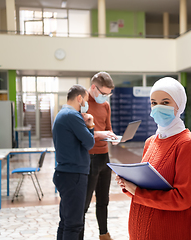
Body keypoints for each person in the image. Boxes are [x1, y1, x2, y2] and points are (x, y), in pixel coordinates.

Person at [116, 77, 191, 240]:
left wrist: (136, 192)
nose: (158, 108)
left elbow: (183, 199)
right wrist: (128, 184)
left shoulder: (186, 144)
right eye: (153, 103)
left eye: (165, 102)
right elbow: (145, 189)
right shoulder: (151, 141)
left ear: (179, 106)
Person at [52, 84, 95, 239]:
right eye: (86, 100)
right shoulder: (72, 115)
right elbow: (89, 143)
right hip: (74, 175)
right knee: (74, 225)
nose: (86, 104)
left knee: (66, 222)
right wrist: (90, 124)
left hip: (65, 174)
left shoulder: (62, 114)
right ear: (79, 98)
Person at [80, 72, 118, 240]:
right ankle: (78, 235)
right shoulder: (81, 103)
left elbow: (107, 127)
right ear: (93, 88)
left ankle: (104, 233)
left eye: (108, 94)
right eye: (103, 94)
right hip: (88, 158)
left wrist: (112, 137)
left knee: (104, 200)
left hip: (104, 157)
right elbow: (80, 132)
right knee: (84, 203)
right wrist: (100, 134)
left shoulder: (105, 106)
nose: (105, 97)